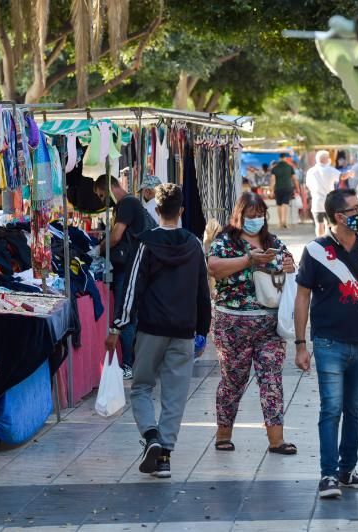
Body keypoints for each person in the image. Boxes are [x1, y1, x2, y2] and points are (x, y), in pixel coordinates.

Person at [294, 188, 358, 499]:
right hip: (328, 343)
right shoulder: (315, 250)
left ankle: (347, 470)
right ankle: (327, 475)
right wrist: (301, 343)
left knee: (355, 409)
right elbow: (302, 296)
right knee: (331, 409)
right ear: (339, 216)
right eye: (356, 208)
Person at [105, 183, 212, 479]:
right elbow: (203, 293)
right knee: (175, 396)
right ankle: (164, 456)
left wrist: (117, 326)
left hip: (151, 329)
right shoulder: (193, 244)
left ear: (157, 208)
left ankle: (151, 437)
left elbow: (131, 290)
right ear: (180, 211)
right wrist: (202, 329)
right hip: (184, 331)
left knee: (141, 387)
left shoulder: (145, 243)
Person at [208, 192, 298, 455]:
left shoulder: (273, 242)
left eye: (260, 215)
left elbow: (291, 268)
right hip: (232, 325)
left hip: (269, 325)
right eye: (251, 215)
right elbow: (214, 268)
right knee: (233, 380)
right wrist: (249, 260)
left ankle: (277, 440)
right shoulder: (225, 241)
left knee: (271, 379)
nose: (256, 220)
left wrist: (289, 265)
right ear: (239, 215)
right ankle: (223, 435)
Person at [94, 174, 156, 380]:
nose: (103, 199)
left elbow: (117, 236)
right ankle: (137, 363)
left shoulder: (126, 203)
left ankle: (129, 364)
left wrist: (99, 248)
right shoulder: (132, 203)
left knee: (125, 317)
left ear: (109, 188)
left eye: (102, 194)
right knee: (134, 317)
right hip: (136, 265)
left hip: (129, 267)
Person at [306, 150, 341, 237]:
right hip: (329, 201)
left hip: (317, 201)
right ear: (325, 159)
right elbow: (341, 176)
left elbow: (308, 185)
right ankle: (329, 240)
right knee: (330, 224)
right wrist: (349, 174)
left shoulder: (311, 171)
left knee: (319, 224)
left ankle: (320, 242)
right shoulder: (330, 170)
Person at [270, 153, 299, 229]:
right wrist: (297, 188)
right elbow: (294, 179)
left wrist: (271, 190)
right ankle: (284, 221)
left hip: (278, 188)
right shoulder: (290, 167)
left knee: (279, 205)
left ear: (279, 158)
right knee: (285, 204)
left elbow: (273, 180)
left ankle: (280, 222)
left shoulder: (275, 168)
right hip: (287, 188)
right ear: (285, 158)